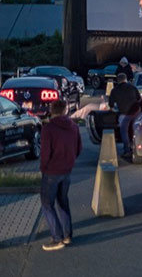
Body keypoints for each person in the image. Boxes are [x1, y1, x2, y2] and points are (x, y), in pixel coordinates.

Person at [39, 99, 82, 251]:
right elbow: (78, 148)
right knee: (63, 202)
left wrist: (43, 167)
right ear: (65, 110)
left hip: (51, 171)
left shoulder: (48, 129)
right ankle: (68, 235)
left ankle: (57, 238)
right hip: (67, 170)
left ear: (52, 110)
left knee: (47, 204)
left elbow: (45, 152)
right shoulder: (74, 127)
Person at [108, 73, 141, 159]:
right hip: (135, 112)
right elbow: (139, 98)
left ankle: (127, 150)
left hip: (124, 113)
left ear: (118, 81)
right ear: (126, 79)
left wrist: (113, 109)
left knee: (124, 131)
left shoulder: (115, 90)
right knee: (136, 130)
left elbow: (111, 104)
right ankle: (137, 147)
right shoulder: (133, 88)